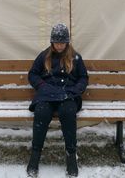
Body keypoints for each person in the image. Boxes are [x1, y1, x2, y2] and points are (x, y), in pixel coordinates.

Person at [26, 23, 89, 177]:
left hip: (68, 94)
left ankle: (71, 156)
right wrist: (41, 85)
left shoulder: (75, 57)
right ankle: (35, 155)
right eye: (57, 42)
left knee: (68, 112)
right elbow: (33, 74)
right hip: (47, 94)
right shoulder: (44, 55)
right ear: (52, 42)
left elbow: (83, 77)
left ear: (67, 42)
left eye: (62, 42)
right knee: (41, 112)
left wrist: (76, 90)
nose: (60, 46)